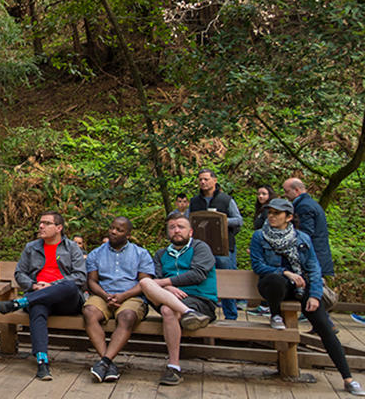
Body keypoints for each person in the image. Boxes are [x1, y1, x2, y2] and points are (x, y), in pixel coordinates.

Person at [250, 198, 364, 395]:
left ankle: (348, 378)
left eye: (277, 213)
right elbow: (258, 265)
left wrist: (315, 295)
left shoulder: (302, 238)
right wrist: (285, 272)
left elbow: (313, 268)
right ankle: (274, 314)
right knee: (276, 279)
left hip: (301, 288)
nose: (272, 216)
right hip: (274, 287)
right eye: (270, 213)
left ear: (289, 217)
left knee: (325, 328)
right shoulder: (259, 237)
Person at [0, 211, 86, 381]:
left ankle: (20, 302)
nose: (41, 226)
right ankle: (42, 362)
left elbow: (80, 276)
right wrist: (33, 285)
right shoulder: (32, 247)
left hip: (67, 300)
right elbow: (20, 273)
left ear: (59, 228)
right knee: (38, 307)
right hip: (39, 294)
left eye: (46, 223)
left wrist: (52, 285)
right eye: (40, 222)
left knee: (70, 285)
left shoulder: (71, 247)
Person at [138, 212, 217, 385]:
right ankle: (188, 313)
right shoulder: (161, 254)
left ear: (190, 232)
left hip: (200, 299)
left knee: (168, 310)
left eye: (181, 227)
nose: (176, 230)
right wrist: (168, 288)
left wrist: (165, 282)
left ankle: (174, 367)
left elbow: (198, 274)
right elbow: (154, 279)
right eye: (172, 227)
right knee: (145, 282)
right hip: (170, 297)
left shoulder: (200, 247)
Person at [82, 217, 154, 383]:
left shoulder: (140, 254)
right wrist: (105, 296)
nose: (113, 232)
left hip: (131, 296)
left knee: (127, 316)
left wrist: (123, 296)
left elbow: (145, 283)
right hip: (103, 295)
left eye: (119, 230)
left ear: (128, 235)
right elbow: (92, 281)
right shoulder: (96, 253)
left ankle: (104, 362)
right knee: (89, 312)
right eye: (112, 228)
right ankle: (108, 362)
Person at [187, 168, 242, 320]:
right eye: (200, 180)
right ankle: (204, 313)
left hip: (224, 248)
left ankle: (231, 316)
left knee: (227, 280)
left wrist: (218, 221)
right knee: (200, 279)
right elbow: (187, 221)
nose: (203, 182)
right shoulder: (194, 201)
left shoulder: (226, 200)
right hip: (200, 249)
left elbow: (238, 220)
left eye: (206, 179)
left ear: (215, 180)